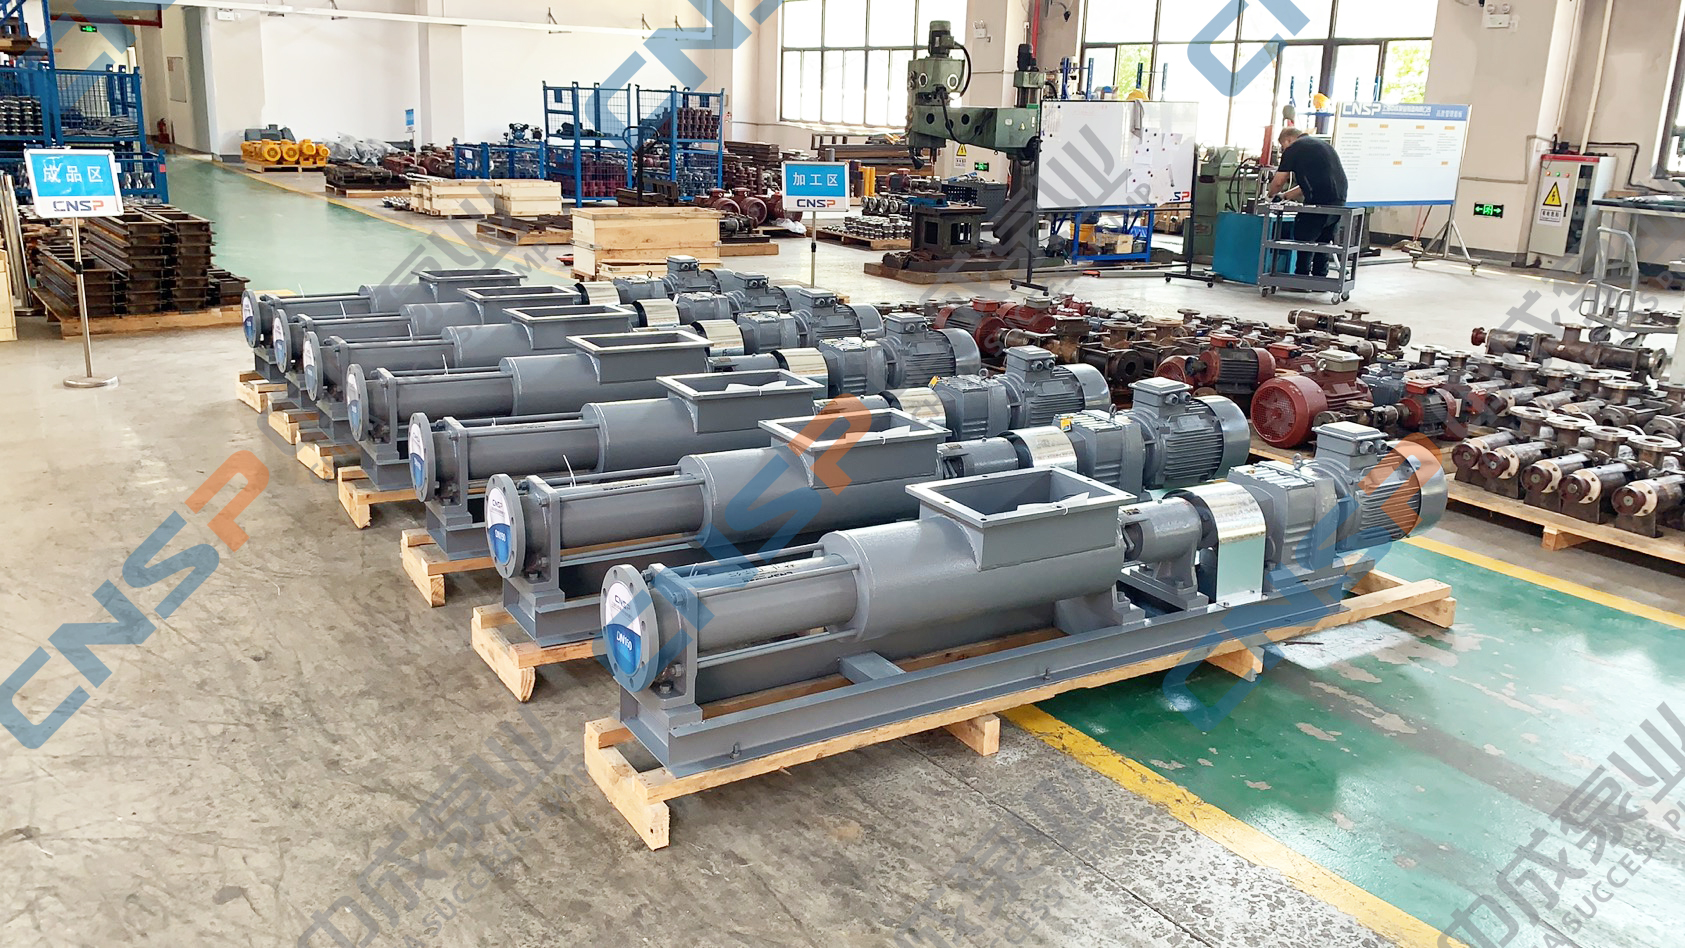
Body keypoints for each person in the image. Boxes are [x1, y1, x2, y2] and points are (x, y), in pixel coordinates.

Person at [1267, 127, 1349, 278]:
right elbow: (1310, 183)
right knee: (1324, 242)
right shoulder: (1322, 145)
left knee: (1304, 238)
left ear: (1288, 140)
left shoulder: (1294, 148)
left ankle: (1301, 277)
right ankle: (1320, 278)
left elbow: (1278, 181)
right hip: (1339, 200)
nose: (1283, 150)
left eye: (1283, 146)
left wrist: (1269, 196)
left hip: (1319, 201)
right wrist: (1285, 196)